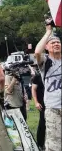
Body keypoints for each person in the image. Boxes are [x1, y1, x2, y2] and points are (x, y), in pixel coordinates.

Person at [35, 20, 61, 151]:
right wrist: (48, 32)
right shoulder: (46, 62)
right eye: (53, 42)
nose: (56, 44)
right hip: (53, 109)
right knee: (55, 145)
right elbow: (37, 53)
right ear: (47, 46)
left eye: (58, 42)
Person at [31, 66, 45, 150]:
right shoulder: (38, 76)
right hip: (42, 104)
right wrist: (36, 102)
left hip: (55, 103)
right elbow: (33, 89)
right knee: (42, 124)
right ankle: (40, 144)